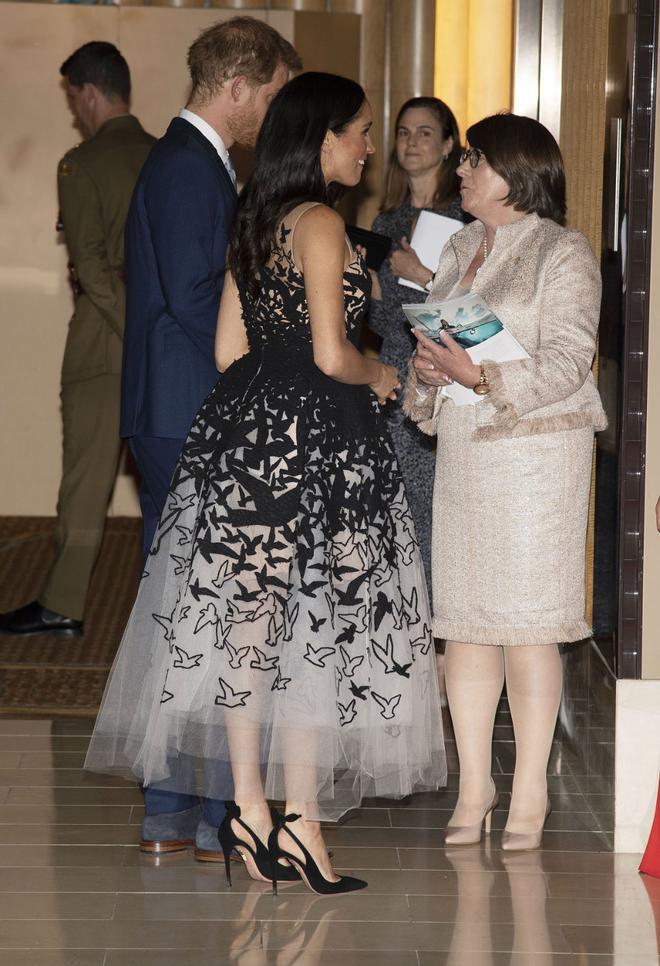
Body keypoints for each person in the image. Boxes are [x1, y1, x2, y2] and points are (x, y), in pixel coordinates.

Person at [85, 71, 446, 894]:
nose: (366, 146)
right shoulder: (321, 221)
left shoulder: (257, 219)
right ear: (323, 138)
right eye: (358, 131)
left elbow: (225, 353)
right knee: (321, 633)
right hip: (318, 439)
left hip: (247, 437)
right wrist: (383, 376)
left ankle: (249, 812)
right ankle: (305, 823)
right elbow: (330, 353)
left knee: (252, 630)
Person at [119, 16, 301, 861]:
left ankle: (182, 811)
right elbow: (199, 300)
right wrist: (271, 367)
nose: (270, 113)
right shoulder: (193, 167)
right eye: (269, 95)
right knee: (210, 613)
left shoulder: (187, 160)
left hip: (173, 404)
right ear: (238, 87)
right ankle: (195, 809)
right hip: (191, 405)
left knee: (190, 612)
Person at [404, 113, 607, 850]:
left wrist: (479, 371)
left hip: (536, 462)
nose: (460, 172)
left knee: (526, 628)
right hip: (466, 450)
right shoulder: (458, 246)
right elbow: (433, 344)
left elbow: (569, 360)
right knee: (464, 627)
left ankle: (527, 794)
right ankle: (474, 785)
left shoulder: (563, 250)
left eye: (474, 161)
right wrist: (428, 373)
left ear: (517, 173)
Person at [0, 43, 155, 639]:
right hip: (163, 344)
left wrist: (128, 329)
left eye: (72, 98)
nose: (74, 111)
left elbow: (89, 268)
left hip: (101, 344)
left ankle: (63, 603)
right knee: (169, 480)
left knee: (86, 483)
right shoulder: (166, 157)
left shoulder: (81, 163)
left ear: (88, 93)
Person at [368, 97, 465, 603]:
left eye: (425, 132)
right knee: (392, 504)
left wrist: (421, 278)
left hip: (442, 373)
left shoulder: (464, 222)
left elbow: (474, 313)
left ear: (449, 145)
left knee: (432, 505)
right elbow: (382, 318)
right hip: (392, 371)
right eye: (403, 132)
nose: (411, 142)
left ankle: (435, 620)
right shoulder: (386, 222)